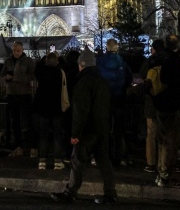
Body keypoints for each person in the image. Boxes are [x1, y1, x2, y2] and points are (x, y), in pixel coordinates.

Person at [51, 47, 118, 204]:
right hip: (102, 127)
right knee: (103, 161)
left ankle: (71, 192)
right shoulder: (102, 81)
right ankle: (110, 193)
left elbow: (80, 111)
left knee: (77, 160)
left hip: (87, 129)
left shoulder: (83, 82)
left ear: (82, 64)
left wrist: (75, 134)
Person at [152, 34, 180, 188]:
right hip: (171, 105)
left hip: (159, 103)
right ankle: (165, 175)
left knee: (161, 141)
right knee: (170, 142)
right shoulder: (175, 62)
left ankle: (161, 173)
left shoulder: (158, 59)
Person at [96, 38, 133, 166]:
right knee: (119, 128)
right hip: (119, 99)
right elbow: (129, 79)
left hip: (104, 99)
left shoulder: (100, 62)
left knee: (103, 128)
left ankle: (103, 155)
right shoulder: (122, 62)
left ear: (106, 47)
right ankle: (121, 156)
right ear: (116, 47)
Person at [33, 52, 67, 170]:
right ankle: (58, 160)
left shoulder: (41, 72)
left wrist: (44, 57)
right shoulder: (60, 72)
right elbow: (65, 66)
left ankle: (42, 161)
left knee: (43, 134)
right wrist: (60, 58)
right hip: (57, 107)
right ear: (56, 61)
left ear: (47, 61)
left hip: (43, 108)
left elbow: (37, 67)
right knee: (57, 135)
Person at [1, 41, 35, 157]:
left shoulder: (28, 61)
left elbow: (32, 76)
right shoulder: (8, 61)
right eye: (14, 51)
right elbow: (2, 74)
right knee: (14, 120)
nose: (16, 53)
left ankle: (30, 146)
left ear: (22, 50)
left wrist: (18, 78)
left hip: (24, 93)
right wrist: (7, 77)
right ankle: (18, 146)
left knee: (27, 120)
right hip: (12, 93)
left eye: (18, 51)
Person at [140, 39, 165, 173]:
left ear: (153, 49)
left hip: (151, 101)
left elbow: (143, 75)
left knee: (151, 133)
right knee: (165, 134)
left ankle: (151, 162)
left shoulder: (149, 61)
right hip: (166, 102)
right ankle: (164, 162)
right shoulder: (169, 60)